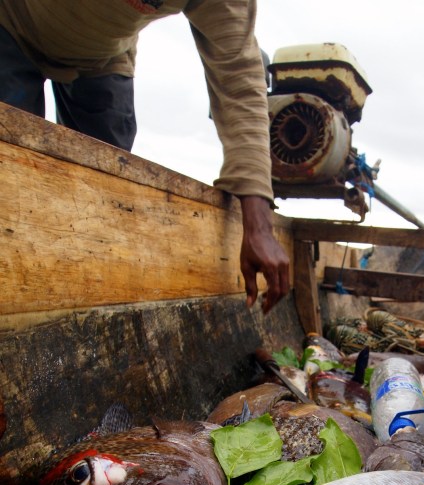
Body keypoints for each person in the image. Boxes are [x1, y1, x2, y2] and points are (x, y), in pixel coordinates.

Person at [0, 0, 289, 313]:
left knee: (105, 203)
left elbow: (239, 77)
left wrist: (259, 227)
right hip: (13, 21)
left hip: (102, 55)